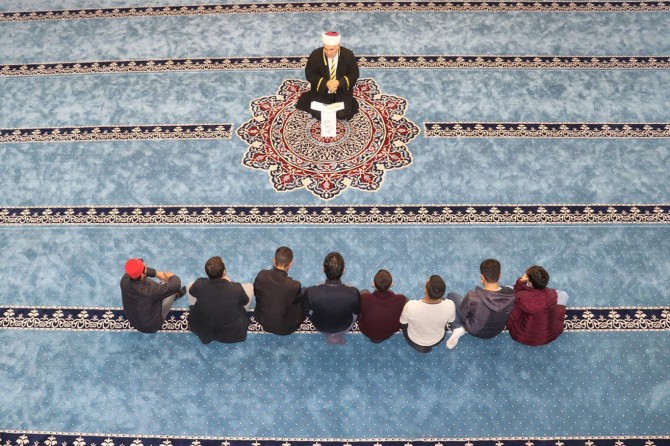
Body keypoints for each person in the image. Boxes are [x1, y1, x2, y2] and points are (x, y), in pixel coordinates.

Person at [445, 259, 515, 349]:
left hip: (474, 330)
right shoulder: (510, 294)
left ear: (481, 277)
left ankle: (458, 327)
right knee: (507, 287)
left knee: (452, 295)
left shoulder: (472, 296)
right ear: (500, 275)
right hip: (497, 330)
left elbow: (463, 314)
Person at [186, 256, 253, 344]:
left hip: (204, 328)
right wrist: (230, 282)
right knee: (250, 287)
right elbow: (245, 301)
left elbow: (191, 292)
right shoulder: (236, 288)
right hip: (231, 330)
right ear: (224, 272)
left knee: (189, 285)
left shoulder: (199, 284)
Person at [296, 31, 360, 120]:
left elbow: (354, 74)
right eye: (326, 49)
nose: (328, 52)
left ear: (338, 46)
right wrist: (326, 83)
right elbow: (310, 74)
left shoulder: (348, 55)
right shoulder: (315, 55)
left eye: (331, 49)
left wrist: (339, 82)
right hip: (322, 91)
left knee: (341, 114)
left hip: (342, 91)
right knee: (320, 115)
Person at [304, 252, 360, 345]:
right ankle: (338, 334)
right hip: (344, 326)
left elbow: (306, 312)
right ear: (344, 270)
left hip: (320, 326)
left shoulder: (311, 292)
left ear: (323, 269)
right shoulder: (353, 292)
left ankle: (331, 333)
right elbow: (358, 313)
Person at [506, 265, 569, 346]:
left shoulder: (523, 296)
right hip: (549, 336)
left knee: (508, 290)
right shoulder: (552, 294)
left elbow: (515, 292)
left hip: (520, 335)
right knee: (563, 294)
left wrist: (521, 282)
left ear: (530, 283)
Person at [120, 257, 184, 334]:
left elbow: (139, 268)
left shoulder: (125, 279)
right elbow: (176, 284)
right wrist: (170, 276)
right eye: (145, 267)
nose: (146, 266)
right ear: (142, 274)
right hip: (151, 326)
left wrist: (155, 273)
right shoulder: (149, 291)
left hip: (132, 320)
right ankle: (176, 295)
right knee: (171, 291)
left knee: (153, 285)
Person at [253, 246, 306, 335]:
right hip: (285, 327)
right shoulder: (294, 285)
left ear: (274, 260)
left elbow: (257, 294)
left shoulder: (261, 275)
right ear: (291, 264)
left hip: (261, 319)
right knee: (304, 295)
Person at [399, 275, 456, 353]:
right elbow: (451, 321)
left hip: (414, 339)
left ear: (425, 290)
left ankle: (419, 346)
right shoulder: (450, 305)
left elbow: (403, 323)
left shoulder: (410, 306)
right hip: (438, 339)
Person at [358, 269, 408, 343]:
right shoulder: (401, 299)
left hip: (365, 330)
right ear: (392, 284)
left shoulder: (364, 297)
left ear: (373, 284)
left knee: (364, 291)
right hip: (389, 332)